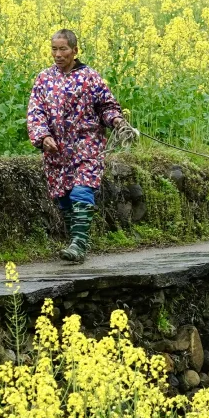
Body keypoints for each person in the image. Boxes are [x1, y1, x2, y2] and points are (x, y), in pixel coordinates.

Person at [26, 29, 137, 263]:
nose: (58, 54)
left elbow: (106, 106)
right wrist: (42, 136)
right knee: (64, 196)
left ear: (75, 51)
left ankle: (79, 243)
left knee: (82, 190)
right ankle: (74, 240)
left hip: (87, 144)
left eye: (63, 49)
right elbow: (35, 112)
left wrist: (116, 120)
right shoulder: (44, 79)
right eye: (54, 49)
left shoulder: (90, 77)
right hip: (57, 150)